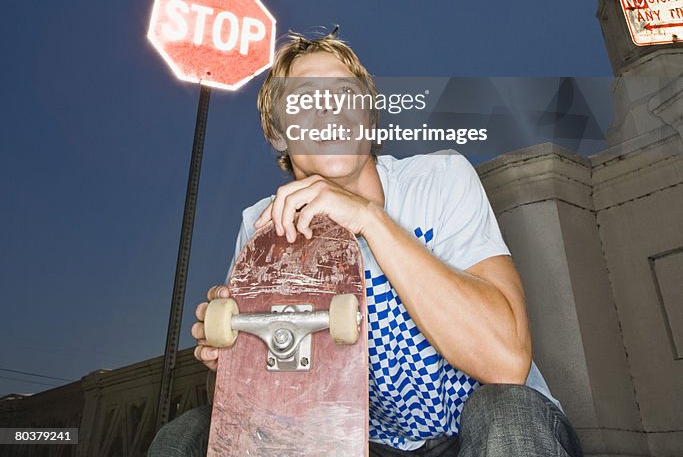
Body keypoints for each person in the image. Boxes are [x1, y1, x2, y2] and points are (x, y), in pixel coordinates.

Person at [149, 32, 583, 457]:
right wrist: (235, 361)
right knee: (190, 432)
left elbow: (506, 363)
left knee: (505, 410)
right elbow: (253, 403)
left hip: (482, 430)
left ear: (370, 119)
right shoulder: (264, 226)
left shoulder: (441, 179)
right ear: (277, 134)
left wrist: (369, 219)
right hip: (359, 440)